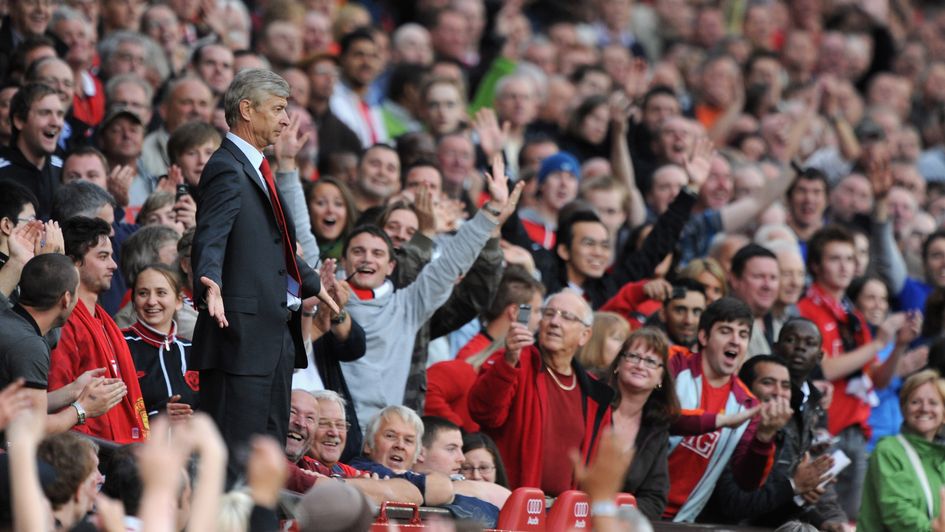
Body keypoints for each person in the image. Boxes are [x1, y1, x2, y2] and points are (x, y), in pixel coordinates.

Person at [190, 68, 338, 482]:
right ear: (246, 110)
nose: (286, 119)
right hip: (238, 342)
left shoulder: (254, 167)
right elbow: (212, 236)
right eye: (278, 109)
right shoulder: (225, 167)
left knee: (267, 463)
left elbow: (271, 246)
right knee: (237, 464)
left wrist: (311, 281)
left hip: (271, 341)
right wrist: (209, 280)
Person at [340, 155, 519, 429]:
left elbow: (459, 277)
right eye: (392, 229)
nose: (402, 237)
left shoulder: (410, 306)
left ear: (388, 262)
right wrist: (423, 236)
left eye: (412, 231)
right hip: (333, 422)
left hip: (389, 431)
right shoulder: (330, 295)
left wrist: (491, 219)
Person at [469, 289, 615, 495]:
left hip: (565, 514)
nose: (555, 322)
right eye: (549, 314)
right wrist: (509, 361)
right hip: (510, 503)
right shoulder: (514, 361)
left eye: (567, 317)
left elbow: (597, 463)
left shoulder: (595, 393)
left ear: (585, 335)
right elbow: (484, 412)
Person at [664, 297, 791, 522]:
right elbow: (662, 418)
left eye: (743, 335)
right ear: (703, 336)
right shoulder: (674, 362)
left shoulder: (747, 404)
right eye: (725, 331)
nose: (735, 341)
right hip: (634, 501)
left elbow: (747, 481)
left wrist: (764, 438)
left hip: (683, 521)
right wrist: (720, 421)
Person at [703, 344, 849, 530]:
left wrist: (818, 517)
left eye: (785, 385)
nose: (779, 392)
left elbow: (767, 507)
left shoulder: (781, 433)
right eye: (767, 383)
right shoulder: (728, 430)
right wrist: (793, 485)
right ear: (745, 389)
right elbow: (733, 505)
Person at [49, 216, 149, 443]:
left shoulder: (105, 320)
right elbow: (58, 396)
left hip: (118, 448)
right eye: (103, 256)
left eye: (111, 256)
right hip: (89, 453)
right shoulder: (63, 322)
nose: (113, 265)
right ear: (74, 262)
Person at [0, 253, 125, 434]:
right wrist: (82, 409)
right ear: (66, 298)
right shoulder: (29, 346)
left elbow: (24, 408)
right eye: (77, 291)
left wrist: (72, 391)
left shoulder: (8, 319)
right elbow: (33, 427)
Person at [605, 327, 680, 520]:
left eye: (650, 362)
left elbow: (655, 499)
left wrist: (613, 511)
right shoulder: (593, 403)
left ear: (661, 378)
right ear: (618, 364)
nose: (640, 365)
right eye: (633, 357)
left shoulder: (657, 427)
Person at [859, 369, 945, 531]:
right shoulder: (888, 450)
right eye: (915, 402)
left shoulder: (941, 458)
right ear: (904, 409)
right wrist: (933, 529)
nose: (924, 408)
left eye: (933, 402)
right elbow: (896, 510)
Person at [122, 264, 198, 419]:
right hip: (140, 442)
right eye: (143, 293)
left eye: (161, 293)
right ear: (134, 302)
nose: (151, 301)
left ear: (178, 301)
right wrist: (157, 416)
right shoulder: (119, 344)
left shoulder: (192, 350)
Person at [0, 83, 64, 220]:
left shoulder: (63, 169)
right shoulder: (2, 171)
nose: (55, 122)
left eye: (60, 114)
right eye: (45, 113)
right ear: (19, 121)